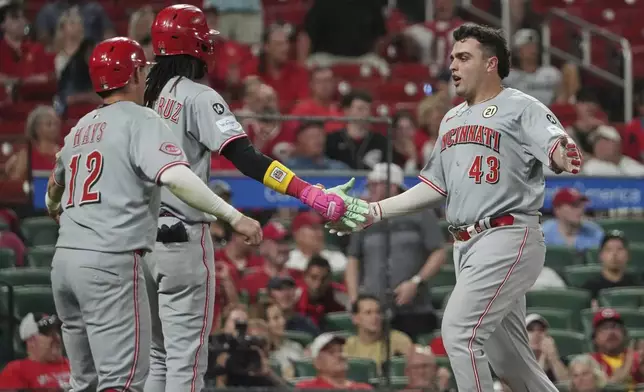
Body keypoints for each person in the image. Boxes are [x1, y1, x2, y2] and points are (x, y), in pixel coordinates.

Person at [327, 23, 582, 392]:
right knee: (511, 362)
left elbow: (555, 143)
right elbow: (433, 186)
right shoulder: (451, 118)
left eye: (464, 57)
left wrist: (560, 153)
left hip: (507, 234)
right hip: (466, 244)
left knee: (459, 332)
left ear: (491, 64)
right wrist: (374, 211)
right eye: (452, 58)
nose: (454, 66)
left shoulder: (521, 106)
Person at [143, 5, 368, 392]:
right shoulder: (199, 96)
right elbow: (245, 157)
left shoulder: (148, 97)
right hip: (182, 237)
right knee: (186, 360)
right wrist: (305, 191)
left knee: (159, 357)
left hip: (143, 238)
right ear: (195, 46)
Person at [45, 36, 262, 392]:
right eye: (143, 69)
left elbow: (55, 181)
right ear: (131, 77)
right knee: (123, 382)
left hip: (64, 265)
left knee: (83, 383)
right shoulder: (141, 118)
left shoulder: (81, 126)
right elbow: (176, 175)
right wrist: (233, 216)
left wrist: (55, 208)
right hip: (108, 262)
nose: (148, 74)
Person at [346, 163, 445, 340]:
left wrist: (415, 282)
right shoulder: (365, 216)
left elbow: (438, 251)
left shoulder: (421, 213)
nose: (370, 189)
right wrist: (355, 301)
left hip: (414, 310)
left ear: (392, 186)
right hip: (374, 311)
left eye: (375, 184)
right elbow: (353, 259)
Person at [344, 294, 413, 373]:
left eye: (378, 312)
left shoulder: (398, 340)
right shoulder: (348, 345)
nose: (375, 317)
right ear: (355, 319)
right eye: (368, 313)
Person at [0, 313, 70, 390]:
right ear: (31, 341)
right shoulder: (16, 370)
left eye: (57, 332)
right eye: (49, 334)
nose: (57, 337)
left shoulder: (75, 366)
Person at [295, 333, 373, 390]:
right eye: (331, 352)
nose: (339, 355)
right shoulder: (306, 389)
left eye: (341, 350)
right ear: (317, 362)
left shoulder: (363, 389)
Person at [582, 231, 641, 306]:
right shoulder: (590, 288)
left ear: (628, 255)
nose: (614, 254)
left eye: (619, 249)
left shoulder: (637, 286)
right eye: (608, 249)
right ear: (601, 255)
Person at [5, 105, 61, 180]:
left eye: (56, 123)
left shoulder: (66, 151)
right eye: (49, 124)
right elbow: (16, 181)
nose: (54, 127)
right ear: (37, 128)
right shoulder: (26, 155)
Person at [589, 308, 643, 385]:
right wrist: (628, 365)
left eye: (615, 326)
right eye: (604, 328)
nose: (611, 332)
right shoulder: (589, 362)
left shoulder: (639, 357)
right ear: (594, 338)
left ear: (624, 334)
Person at [525, 314, 569, 383]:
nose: (536, 333)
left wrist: (552, 358)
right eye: (531, 330)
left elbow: (567, 384)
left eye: (541, 330)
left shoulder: (561, 361)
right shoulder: (518, 362)